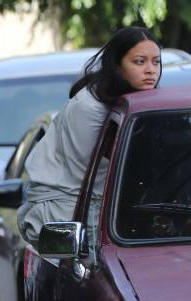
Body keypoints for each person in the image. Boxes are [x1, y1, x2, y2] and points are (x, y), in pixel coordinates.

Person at [18, 27, 162, 245]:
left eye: (156, 62)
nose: (151, 70)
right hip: (71, 220)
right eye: (140, 62)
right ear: (118, 66)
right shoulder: (89, 106)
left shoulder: (144, 102)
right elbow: (96, 176)